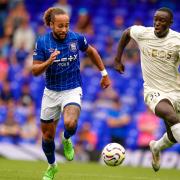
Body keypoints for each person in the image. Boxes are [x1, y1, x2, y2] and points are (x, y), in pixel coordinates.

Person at [32, 7, 111, 180]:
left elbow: (91, 51)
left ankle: (67, 138)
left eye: (66, 25)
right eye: (60, 26)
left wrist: (104, 73)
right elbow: (35, 71)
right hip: (51, 92)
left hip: (72, 89)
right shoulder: (42, 42)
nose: (64, 29)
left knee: (70, 123)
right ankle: (52, 166)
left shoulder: (75, 38)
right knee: (47, 136)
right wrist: (48, 61)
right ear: (51, 24)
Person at [114, 7, 180, 172]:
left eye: (162, 20)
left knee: (172, 135)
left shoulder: (177, 41)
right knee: (171, 115)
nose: (157, 23)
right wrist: (117, 59)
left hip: (175, 91)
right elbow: (127, 32)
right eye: (156, 19)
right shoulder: (143, 33)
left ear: (170, 23)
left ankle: (156, 147)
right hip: (153, 91)